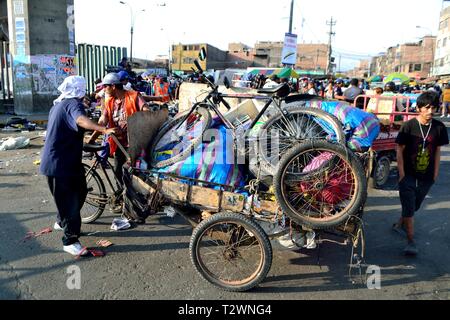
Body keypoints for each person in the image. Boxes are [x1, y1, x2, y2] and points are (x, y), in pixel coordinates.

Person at [40, 76, 118, 256]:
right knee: (71, 203)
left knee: (81, 191)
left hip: (65, 162)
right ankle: (70, 240)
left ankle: (61, 222)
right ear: (79, 89)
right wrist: (103, 130)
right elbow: (81, 120)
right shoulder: (72, 105)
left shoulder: (58, 105)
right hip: (60, 165)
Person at [393, 91, 449, 256]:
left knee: (414, 205)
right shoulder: (408, 126)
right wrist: (402, 174)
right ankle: (411, 241)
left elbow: (438, 151)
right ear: (419, 108)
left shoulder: (439, 127)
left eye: (433, 107)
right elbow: (399, 150)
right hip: (408, 174)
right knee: (409, 206)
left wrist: (435, 173)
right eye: (427, 107)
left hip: (427, 175)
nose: (431, 111)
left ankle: (399, 224)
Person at [87, 73, 150, 199]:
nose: (103, 89)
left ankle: (135, 199)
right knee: (117, 171)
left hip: (134, 143)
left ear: (113, 86)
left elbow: (147, 113)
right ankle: (123, 198)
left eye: (105, 86)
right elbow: (103, 121)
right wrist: (92, 139)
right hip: (118, 144)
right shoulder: (110, 101)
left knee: (132, 172)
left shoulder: (133, 96)